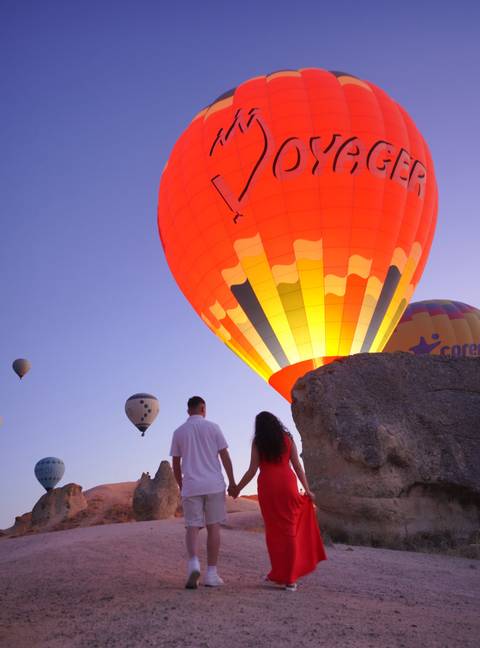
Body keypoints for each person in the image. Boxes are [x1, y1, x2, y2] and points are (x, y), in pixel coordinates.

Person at [231, 411, 326, 591]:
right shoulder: (287, 438)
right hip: (287, 483)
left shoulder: (259, 442)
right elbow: (297, 466)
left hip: (268, 485)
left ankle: (281, 573)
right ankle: (287, 577)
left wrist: (238, 489)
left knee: (273, 531)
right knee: (289, 529)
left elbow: (252, 470)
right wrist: (307, 489)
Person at [170, 396, 235, 589]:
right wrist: (232, 482)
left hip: (191, 485)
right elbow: (225, 456)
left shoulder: (179, 432)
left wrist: (182, 485)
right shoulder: (214, 428)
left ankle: (193, 565)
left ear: (188, 411)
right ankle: (212, 574)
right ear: (203, 408)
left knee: (192, 526)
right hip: (214, 484)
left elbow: (175, 463)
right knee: (213, 527)